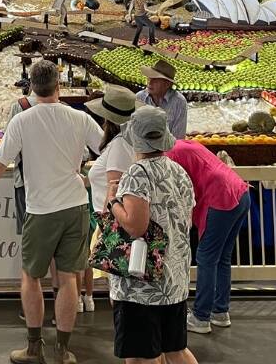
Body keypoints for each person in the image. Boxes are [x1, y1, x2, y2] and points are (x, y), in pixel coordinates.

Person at [0, 59, 104, 364]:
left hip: (40, 209)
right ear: (59, 85)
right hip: (76, 206)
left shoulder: (22, 121)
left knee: (31, 276)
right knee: (68, 278)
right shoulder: (79, 118)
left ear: (31, 87)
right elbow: (107, 152)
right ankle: (63, 350)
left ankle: (34, 347)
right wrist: (91, 178)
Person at [105, 106, 199, 364]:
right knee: (175, 349)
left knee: (139, 356)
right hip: (174, 278)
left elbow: (136, 226)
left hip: (141, 286)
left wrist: (113, 201)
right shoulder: (178, 171)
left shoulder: (137, 173)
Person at [167, 137, 251, 334]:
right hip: (240, 191)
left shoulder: (169, 156)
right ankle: (220, 311)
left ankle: (201, 316)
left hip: (220, 198)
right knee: (222, 257)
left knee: (206, 258)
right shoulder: (185, 144)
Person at [84, 84, 141, 312]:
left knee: (119, 288)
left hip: (114, 222)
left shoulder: (118, 145)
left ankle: (126, 340)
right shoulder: (126, 142)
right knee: (121, 285)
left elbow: (114, 187)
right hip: (117, 220)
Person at [135, 61, 188, 141]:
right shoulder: (140, 97)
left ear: (167, 84)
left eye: (155, 80)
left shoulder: (179, 102)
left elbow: (178, 138)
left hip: (168, 151)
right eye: (149, 78)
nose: (150, 82)